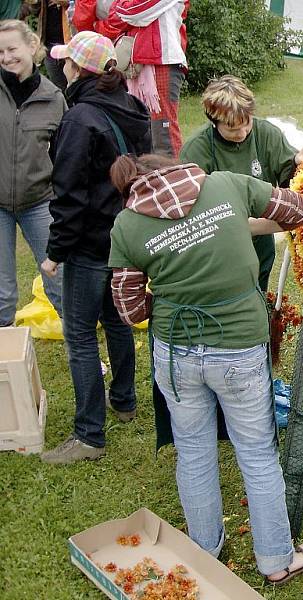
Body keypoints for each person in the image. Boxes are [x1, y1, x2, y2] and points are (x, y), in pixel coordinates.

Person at [107, 153, 303, 585]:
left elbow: (128, 309)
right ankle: (276, 559)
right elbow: (298, 210)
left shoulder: (127, 224)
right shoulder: (226, 184)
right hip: (238, 346)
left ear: (135, 188)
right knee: (257, 454)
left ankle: (205, 550)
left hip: (176, 350)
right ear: (171, 167)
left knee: (194, 451)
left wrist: (162, 301)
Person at [39, 30, 151, 464]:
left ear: (77, 69)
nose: (60, 66)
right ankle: (124, 401)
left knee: (81, 335)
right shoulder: (133, 106)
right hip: (124, 237)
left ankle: (89, 436)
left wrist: (55, 253)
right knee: (117, 319)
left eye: (65, 61)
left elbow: (69, 195)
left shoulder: (79, 118)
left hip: (89, 245)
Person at [180, 75, 303, 290]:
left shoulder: (266, 133)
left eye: (246, 124)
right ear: (214, 123)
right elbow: (190, 211)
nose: (242, 133)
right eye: (232, 130)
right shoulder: (196, 150)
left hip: (260, 240)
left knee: (258, 294)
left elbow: (290, 178)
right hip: (218, 246)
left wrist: (298, 163)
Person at [0, 19, 66, 328]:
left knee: (60, 283)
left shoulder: (54, 98)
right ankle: (6, 365)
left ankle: (81, 351)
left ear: (32, 46)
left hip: (40, 202)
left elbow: (65, 156)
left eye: (12, 48)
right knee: (2, 293)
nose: (6, 57)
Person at [73, 0, 188, 156]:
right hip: (134, 63)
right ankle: (149, 178)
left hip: (161, 61)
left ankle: (174, 178)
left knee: (163, 137)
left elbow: (132, 11)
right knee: (139, 133)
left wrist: (111, 15)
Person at [23, 0, 71, 89]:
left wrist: (64, 2)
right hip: (49, 46)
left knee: (74, 85)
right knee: (58, 87)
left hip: (70, 46)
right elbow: (34, 11)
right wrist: (35, 3)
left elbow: (82, 7)